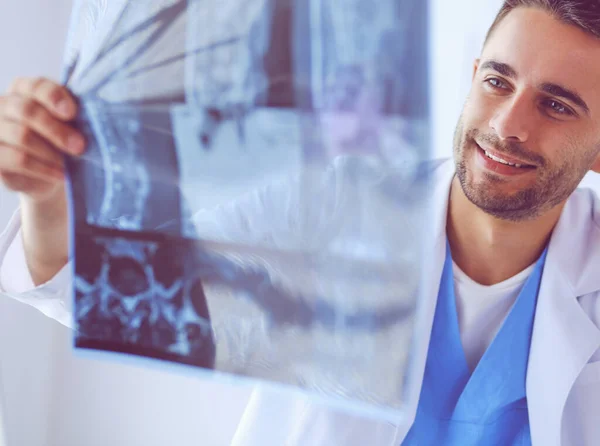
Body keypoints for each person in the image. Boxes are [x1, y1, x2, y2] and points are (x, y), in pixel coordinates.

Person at [1, 0, 600, 444]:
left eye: (557, 105)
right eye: (498, 81)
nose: (507, 124)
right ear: (473, 78)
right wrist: (49, 198)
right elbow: (105, 292)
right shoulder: (335, 208)